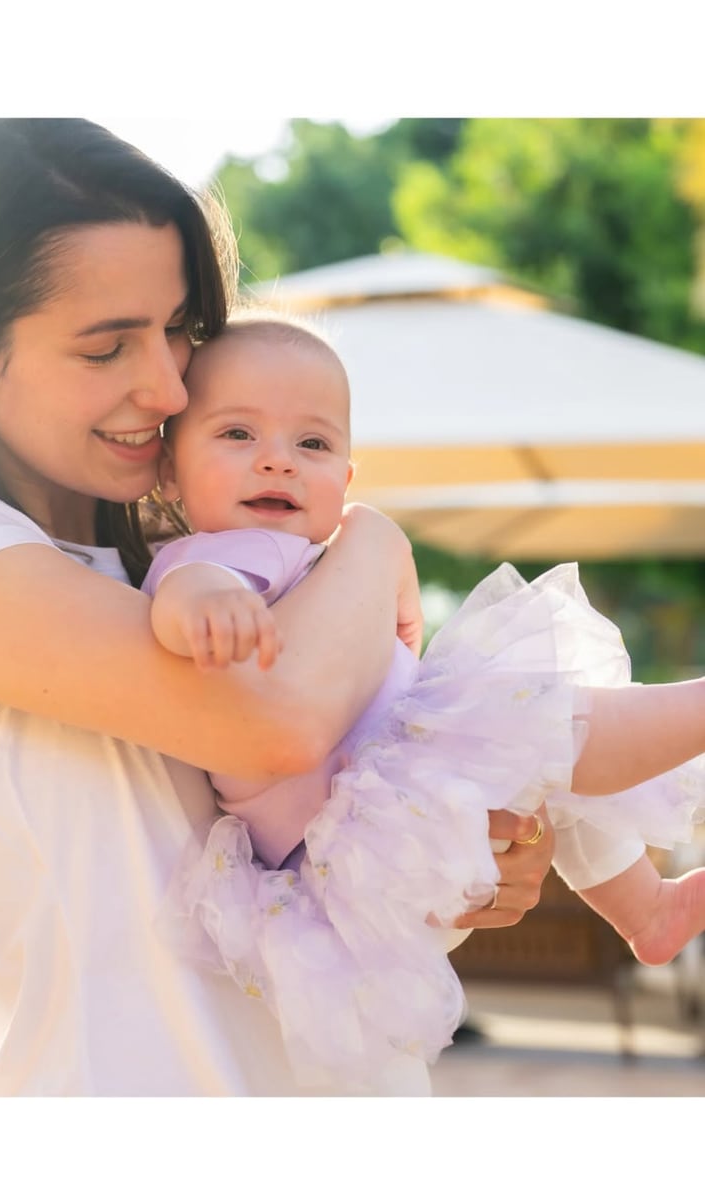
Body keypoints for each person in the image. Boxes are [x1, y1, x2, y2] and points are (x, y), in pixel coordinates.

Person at [0, 118, 555, 1099]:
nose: (168, 384)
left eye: (178, 330)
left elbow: (293, 847)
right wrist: (374, 541)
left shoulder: (175, 563)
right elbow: (276, 722)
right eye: (106, 347)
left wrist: (455, 859)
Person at [142, 312, 705, 1092]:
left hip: (382, 806)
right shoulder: (212, 559)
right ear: (168, 472)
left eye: (313, 444)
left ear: (347, 479)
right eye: (238, 435)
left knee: (560, 769)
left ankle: (647, 910)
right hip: (364, 808)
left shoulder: (326, 555)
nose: (277, 463)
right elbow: (178, 593)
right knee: (559, 724)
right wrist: (205, 604)